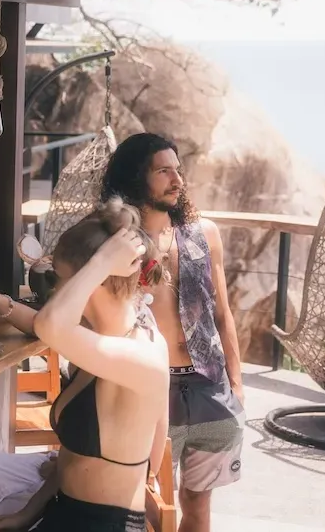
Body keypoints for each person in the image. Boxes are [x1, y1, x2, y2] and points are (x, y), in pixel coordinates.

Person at [0, 199, 170, 532]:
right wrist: (27, 514)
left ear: (91, 282)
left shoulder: (140, 357)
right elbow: (75, 459)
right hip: (65, 512)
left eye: (59, 279)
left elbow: (49, 325)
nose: (56, 290)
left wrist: (102, 261)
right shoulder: (99, 339)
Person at [100, 132, 246, 532]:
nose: (177, 179)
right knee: (140, 502)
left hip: (208, 389)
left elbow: (222, 311)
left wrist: (235, 381)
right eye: (163, 171)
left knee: (197, 505)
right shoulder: (116, 243)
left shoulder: (205, 234)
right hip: (147, 388)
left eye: (177, 170)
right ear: (135, 177)